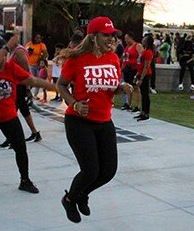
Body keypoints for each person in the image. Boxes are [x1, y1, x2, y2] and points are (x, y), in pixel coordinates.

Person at [56, 16, 133, 223]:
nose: (111, 39)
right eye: (106, 35)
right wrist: (74, 104)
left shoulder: (113, 59)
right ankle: (70, 199)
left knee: (108, 171)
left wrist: (122, 88)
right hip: (79, 121)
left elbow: (110, 89)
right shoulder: (76, 59)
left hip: (104, 121)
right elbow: (61, 85)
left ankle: (82, 194)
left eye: (113, 35)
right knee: (90, 170)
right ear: (93, 36)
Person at [0, 38, 56, 200]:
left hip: (8, 117)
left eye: (6, 55)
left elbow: (33, 80)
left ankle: (25, 180)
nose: (4, 58)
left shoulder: (11, 68)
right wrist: (7, 47)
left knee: (21, 148)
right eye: (1, 53)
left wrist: (57, 88)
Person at [0, 32, 43, 149]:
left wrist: (27, 89)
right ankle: (35, 133)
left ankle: (11, 138)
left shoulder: (19, 51)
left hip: (21, 86)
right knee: (24, 110)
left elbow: (26, 69)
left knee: (11, 112)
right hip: (15, 85)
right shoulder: (11, 51)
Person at [121, 31, 143, 112]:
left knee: (136, 88)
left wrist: (139, 69)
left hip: (134, 69)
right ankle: (128, 104)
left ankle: (137, 105)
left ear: (131, 38)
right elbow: (124, 58)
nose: (126, 40)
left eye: (127, 39)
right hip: (127, 69)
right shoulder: (127, 47)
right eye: (125, 39)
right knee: (128, 87)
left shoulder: (138, 46)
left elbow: (141, 57)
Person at [134, 35, 154, 122]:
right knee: (142, 93)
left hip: (145, 75)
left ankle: (146, 113)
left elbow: (146, 66)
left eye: (144, 40)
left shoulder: (148, 52)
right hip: (141, 73)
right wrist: (137, 75)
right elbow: (140, 65)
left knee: (145, 94)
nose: (142, 40)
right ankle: (142, 112)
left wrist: (141, 78)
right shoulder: (144, 51)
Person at [25, 33, 48, 98]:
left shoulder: (42, 45)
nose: (38, 39)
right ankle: (28, 92)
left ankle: (35, 94)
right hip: (30, 64)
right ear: (34, 38)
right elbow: (25, 52)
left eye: (40, 38)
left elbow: (45, 54)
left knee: (38, 80)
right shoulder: (29, 44)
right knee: (31, 80)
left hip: (38, 65)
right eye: (37, 38)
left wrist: (41, 61)